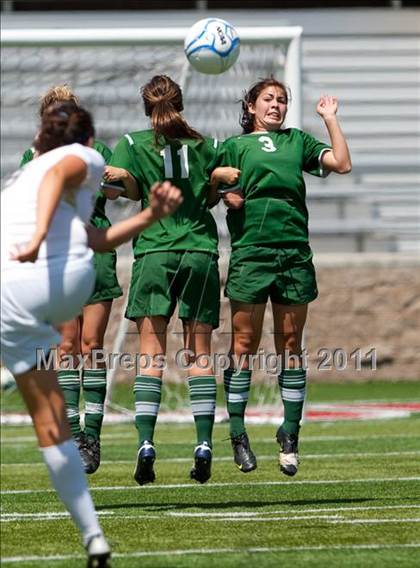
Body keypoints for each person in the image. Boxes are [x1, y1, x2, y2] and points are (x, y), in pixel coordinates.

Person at [1, 102, 182, 566]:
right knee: (54, 426)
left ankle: (93, 535)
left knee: (50, 414)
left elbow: (93, 235)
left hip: (14, 292)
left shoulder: (22, 177)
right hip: (46, 282)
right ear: (87, 137)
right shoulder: (83, 157)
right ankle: (93, 534)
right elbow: (64, 172)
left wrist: (148, 217)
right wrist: (40, 237)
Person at [104, 74, 239, 485]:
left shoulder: (131, 144)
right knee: (200, 355)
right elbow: (221, 188)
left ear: (147, 107)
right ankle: (203, 443)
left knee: (150, 354)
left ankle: (146, 443)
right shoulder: (208, 145)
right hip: (198, 251)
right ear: (181, 102)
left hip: (154, 252)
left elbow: (119, 188)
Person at [217, 78, 351, 476]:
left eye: (282, 100)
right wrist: (226, 193)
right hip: (251, 255)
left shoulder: (298, 141)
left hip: (293, 253)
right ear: (251, 106)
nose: (276, 105)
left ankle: (290, 433)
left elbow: (342, 164)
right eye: (268, 99)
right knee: (244, 343)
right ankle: (238, 434)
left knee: (291, 343)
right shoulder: (233, 146)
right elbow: (208, 189)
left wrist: (329, 120)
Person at [20, 85, 123, 475]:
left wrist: (111, 176)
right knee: (66, 346)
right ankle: (76, 433)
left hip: (95, 252)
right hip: (57, 254)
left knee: (92, 343)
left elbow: (118, 189)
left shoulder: (96, 152)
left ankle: (92, 435)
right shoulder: (33, 155)